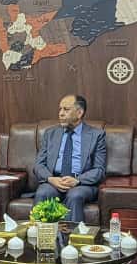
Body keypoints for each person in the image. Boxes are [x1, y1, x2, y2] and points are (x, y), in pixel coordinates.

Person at [32, 94, 107, 223]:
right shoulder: (50, 133)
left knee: (75, 195)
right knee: (43, 193)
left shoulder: (96, 135)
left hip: (81, 183)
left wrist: (77, 180)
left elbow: (99, 170)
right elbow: (39, 165)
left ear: (79, 113)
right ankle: (40, 234)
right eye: (60, 109)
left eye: (66, 109)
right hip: (54, 181)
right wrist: (50, 179)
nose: (60, 113)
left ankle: (71, 235)